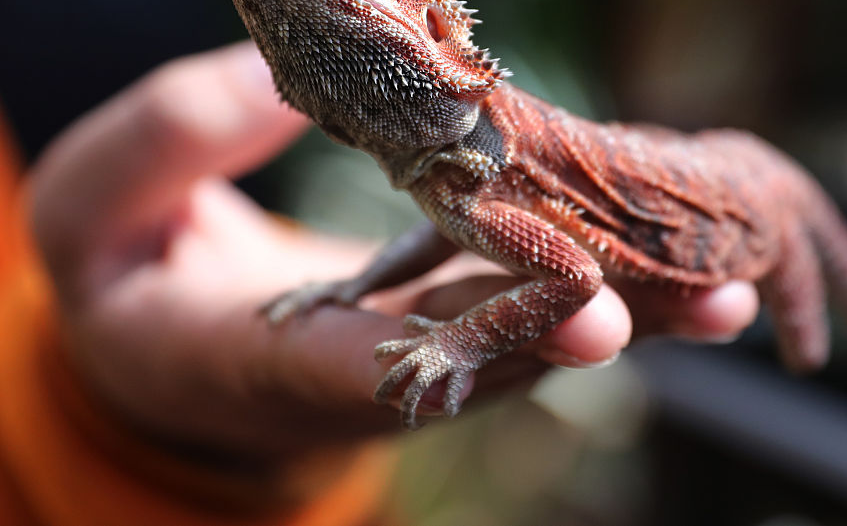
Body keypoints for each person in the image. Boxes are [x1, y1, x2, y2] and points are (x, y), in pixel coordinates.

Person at [0, 42, 759, 525]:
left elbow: (574, 274)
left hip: (755, 201)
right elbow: (448, 235)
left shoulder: (488, 167)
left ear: (431, 24)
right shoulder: (462, 181)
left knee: (802, 336)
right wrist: (355, 286)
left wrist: (461, 343)